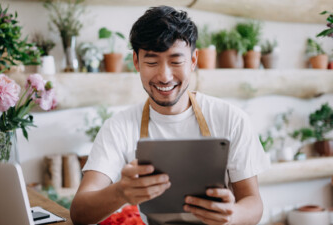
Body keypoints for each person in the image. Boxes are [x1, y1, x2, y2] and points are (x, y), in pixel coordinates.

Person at [70, 5, 269, 225]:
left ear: (193, 60)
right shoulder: (118, 127)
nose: (164, 76)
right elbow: (79, 212)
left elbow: (253, 202)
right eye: (152, 62)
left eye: (176, 61)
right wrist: (120, 193)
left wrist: (232, 216)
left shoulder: (231, 118)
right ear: (136, 62)